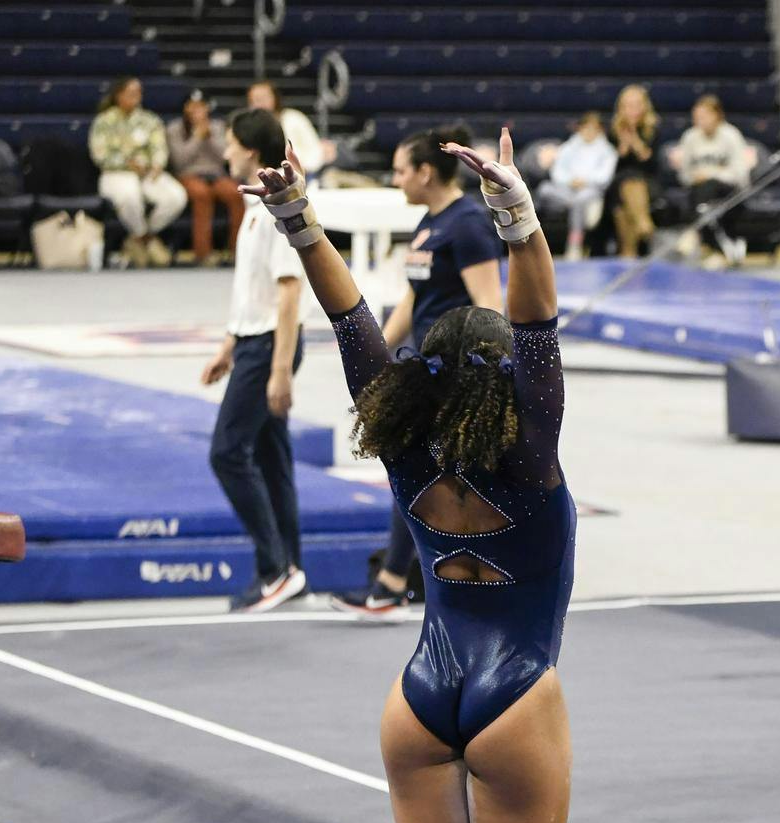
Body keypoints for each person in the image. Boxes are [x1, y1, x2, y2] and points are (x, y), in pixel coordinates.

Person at [248, 127, 574, 823]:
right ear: (503, 383)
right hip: (517, 694)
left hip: (421, 694)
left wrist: (300, 220)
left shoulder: (399, 444)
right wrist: (517, 215)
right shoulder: (528, 452)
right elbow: (539, 323)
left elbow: (351, 319)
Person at [332, 125, 505, 621]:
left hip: (456, 374)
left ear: (426, 173)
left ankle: (399, 580)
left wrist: (483, 379)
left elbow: (490, 306)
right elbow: (414, 296)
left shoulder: (468, 225)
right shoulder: (431, 222)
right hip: (423, 370)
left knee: (429, 473)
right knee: (418, 472)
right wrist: (377, 355)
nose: (396, 180)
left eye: (401, 171)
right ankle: (410, 578)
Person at [201, 108, 306, 614]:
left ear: (249, 150)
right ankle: (291, 567)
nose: (224, 151)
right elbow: (253, 290)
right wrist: (229, 345)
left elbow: (289, 292)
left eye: (229, 142)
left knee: (227, 453)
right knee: (271, 457)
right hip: (252, 341)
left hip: (270, 346)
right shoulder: (254, 205)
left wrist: (280, 370)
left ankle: (275, 569)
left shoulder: (277, 209)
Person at [90, 77, 188, 268]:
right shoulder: (104, 121)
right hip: (115, 172)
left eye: (138, 92)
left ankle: (140, 239)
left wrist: (157, 165)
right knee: (129, 196)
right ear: (118, 95)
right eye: (131, 92)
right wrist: (127, 163)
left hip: (147, 171)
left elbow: (159, 147)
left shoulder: (149, 120)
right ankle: (146, 239)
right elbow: (99, 154)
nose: (136, 96)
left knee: (176, 197)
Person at [671, 94, 751, 268]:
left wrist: (711, 174)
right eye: (696, 117)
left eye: (704, 116)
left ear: (717, 115)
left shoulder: (731, 135)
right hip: (698, 190)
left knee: (708, 188)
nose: (700, 121)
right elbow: (684, 174)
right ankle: (714, 250)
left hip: (729, 190)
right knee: (701, 196)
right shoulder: (690, 137)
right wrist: (696, 177)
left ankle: (693, 232)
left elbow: (740, 174)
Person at [168, 92, 244, 267]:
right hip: (188, 175)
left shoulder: (218, 127)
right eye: (193, 106)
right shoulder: (174, 129)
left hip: (216, 175)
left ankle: (237, 251)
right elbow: (179, 161)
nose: (197, 110)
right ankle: (203, 254)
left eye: (201, 106)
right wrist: (197, 137)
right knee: (202, 195)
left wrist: (209, 137)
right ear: (185, 108)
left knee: (237, 194)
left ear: (207, 108)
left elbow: (225, 156)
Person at [539, 111, 616, 259]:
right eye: (585, 127)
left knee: (582, 199)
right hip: (567, 190)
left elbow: (604, 177)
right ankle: (581, 207)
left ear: (600, 130)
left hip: (591, 190)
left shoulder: (608, 151)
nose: (588, 131)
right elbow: (557, 171)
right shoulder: (568, 147)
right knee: (545, 189)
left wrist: (585, 181)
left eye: (593, 128)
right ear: (580, 128)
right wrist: (570, 181)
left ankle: (574, 244)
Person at [608, 83, 659, 258]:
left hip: (648, 183)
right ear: (621, 108)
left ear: (645, 107)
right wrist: (622, 146)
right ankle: (644, 226)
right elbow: (611, 166)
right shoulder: (613, 131)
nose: (632, 110)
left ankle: (628, 251)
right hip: (616, 185)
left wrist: (636, 142)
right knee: (626, 181)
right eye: (628, 106)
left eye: (637, 105)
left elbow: (652, 163)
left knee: (626, 199)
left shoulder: (653, 129)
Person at [245, 81, 334, 175]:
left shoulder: (293, 118)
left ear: (275, 98)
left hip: (302, 173)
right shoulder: (249, 127)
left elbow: (314, 149)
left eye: (264, 97)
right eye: (255, 99)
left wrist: (301, 169)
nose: (260, 103)